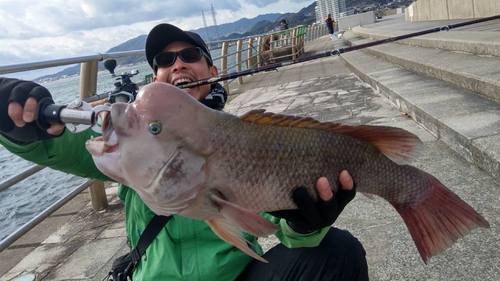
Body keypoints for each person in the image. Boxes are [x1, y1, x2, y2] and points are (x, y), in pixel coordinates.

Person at [0, 23, 368, 280]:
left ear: (212, 69)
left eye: (190, 54)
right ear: (155, 80)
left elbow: (280, 231)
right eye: (162, 61)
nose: (176, 63)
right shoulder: (130, 147)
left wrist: (307, 225)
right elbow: (60, 149)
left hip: (244, 274)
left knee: (338, 250)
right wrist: (17, 125)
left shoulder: (248, 138)